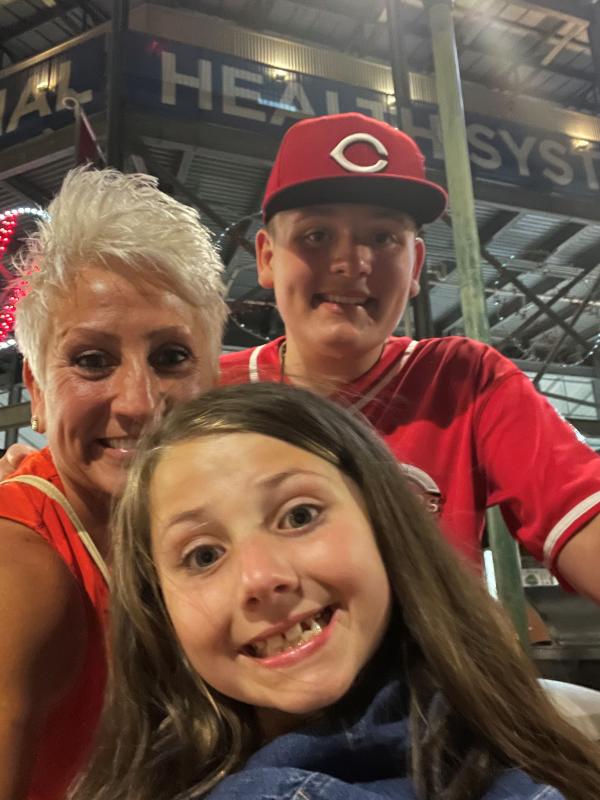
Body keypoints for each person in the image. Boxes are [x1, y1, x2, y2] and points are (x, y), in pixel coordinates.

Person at [71, 382, 600, 800]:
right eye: (204, 555)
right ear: (157, 608)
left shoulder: (546, 727)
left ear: (383, 522)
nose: (261, 578)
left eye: (299, 516)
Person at [220, 112, 600, 602]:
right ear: (267, 258)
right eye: (316, 235)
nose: (351, 263)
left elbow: (582, 513)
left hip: (435, 677)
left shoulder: (465, 381)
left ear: (415, 263)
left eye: (382, 238)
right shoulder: (208, 396)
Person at [0, 167, 227, 800]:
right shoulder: (21, 570)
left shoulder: (209, 534)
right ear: (38, 394)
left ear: (214, 374)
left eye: (171, 357)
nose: (138, 402)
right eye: (92, 360)